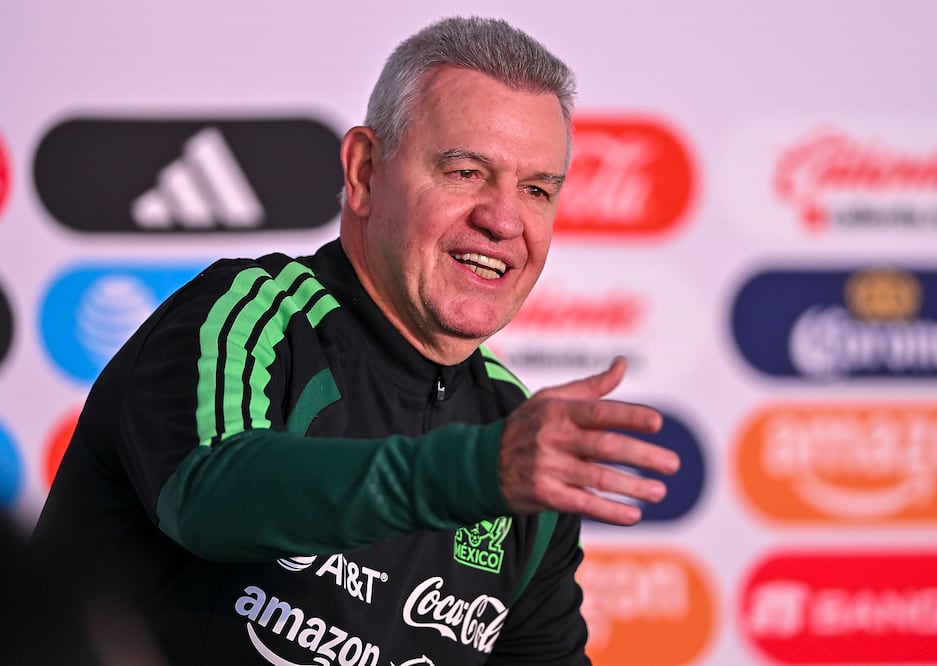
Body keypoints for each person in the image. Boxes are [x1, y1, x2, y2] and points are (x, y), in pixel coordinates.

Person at [32, 15, 679, 665]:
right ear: (366, 171)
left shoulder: (513, 428)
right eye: (465, 173)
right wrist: (474, 471)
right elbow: (208, 496)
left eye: (536, 189)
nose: (503, 219)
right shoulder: (247, 314)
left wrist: (492, 466)